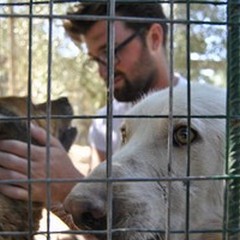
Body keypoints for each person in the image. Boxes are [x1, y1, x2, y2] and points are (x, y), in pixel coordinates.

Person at [0, 2, 185, 206]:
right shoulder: (104, 123)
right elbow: (93, 235)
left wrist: (67, 187)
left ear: (154, 38)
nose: (102, 71)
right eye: (96, 60)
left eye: (109, 53)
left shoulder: (209, 115)